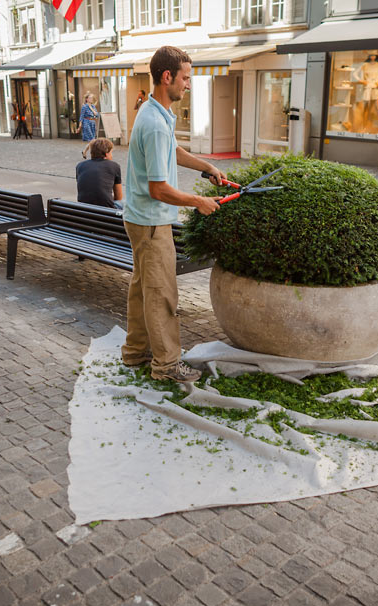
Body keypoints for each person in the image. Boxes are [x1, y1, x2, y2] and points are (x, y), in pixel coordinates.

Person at [121, 45, 226, 383]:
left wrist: (205, 165)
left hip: (140, 218)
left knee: (141, 289)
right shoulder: (153, 121)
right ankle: (166, 366)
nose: (188, 85)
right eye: (185, 78)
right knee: (162, 293)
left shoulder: (156, 113)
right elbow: (159, 189)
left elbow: (173, 149)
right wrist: (198, 201)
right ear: (167, 77)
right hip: (151, 221)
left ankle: (135, 352)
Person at [76, 138, 123, 209]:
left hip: (84, 210)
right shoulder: (114, 166)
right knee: (125, 203)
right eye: (111, 152)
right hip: (106, 212)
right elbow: (118, 197)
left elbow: (86, 190)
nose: (112, 156)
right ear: (106, 154)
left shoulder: (80, 166)